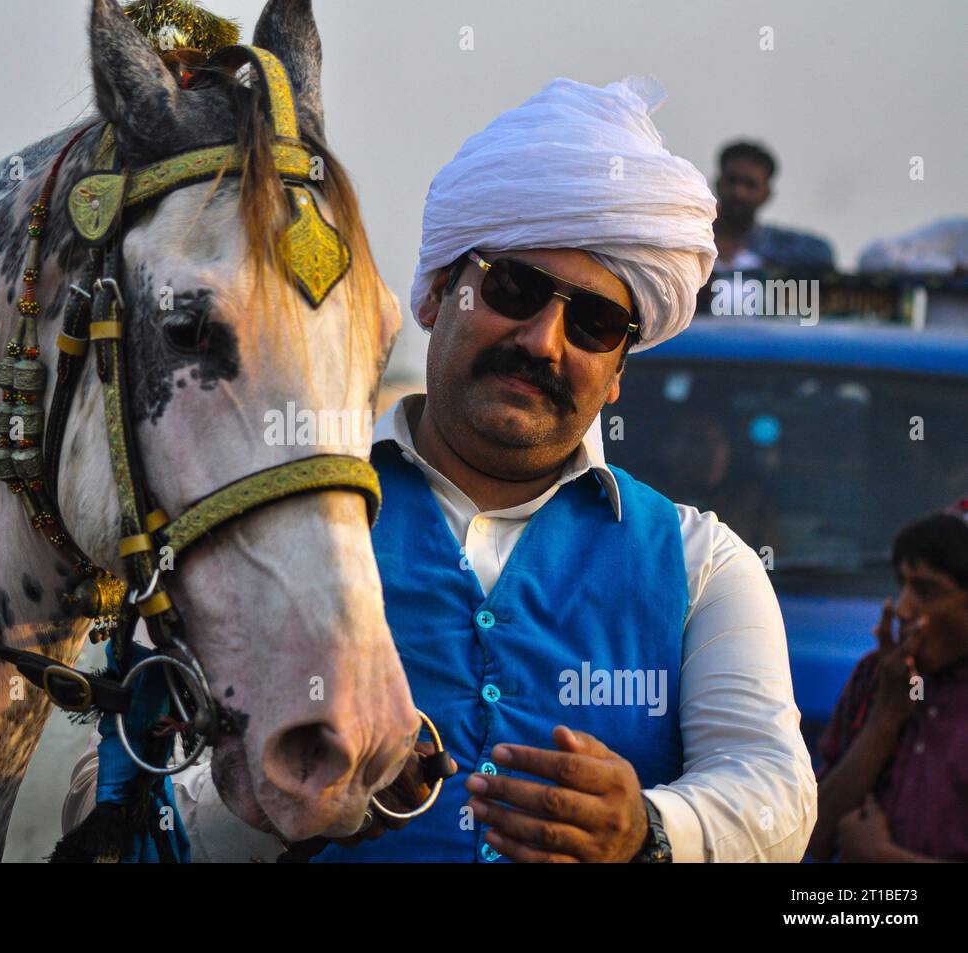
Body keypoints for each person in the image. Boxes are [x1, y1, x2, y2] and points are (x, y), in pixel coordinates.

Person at [66, 75, 818, 862]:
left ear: (620, 370)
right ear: (435, 295)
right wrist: (286, 785)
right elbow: (104, 790)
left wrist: (648, 832)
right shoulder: (265, 512)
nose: (542, 341)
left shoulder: (702, 565)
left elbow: (776, 793)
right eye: (514, 287)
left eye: (594, 321)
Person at [808, 501, 968, 862]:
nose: (904, 609)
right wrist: (885, 716)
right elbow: (813, 840)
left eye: (927, 591)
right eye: (903, 585)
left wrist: (880, 856)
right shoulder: (878, 675)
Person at [712, 140, 835, 272]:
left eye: (750, 185)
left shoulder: (781, 246)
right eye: (732, 181)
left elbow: (823, 255)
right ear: (717, 184)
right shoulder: (693, 239)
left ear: (767, 194)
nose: (739, 193)